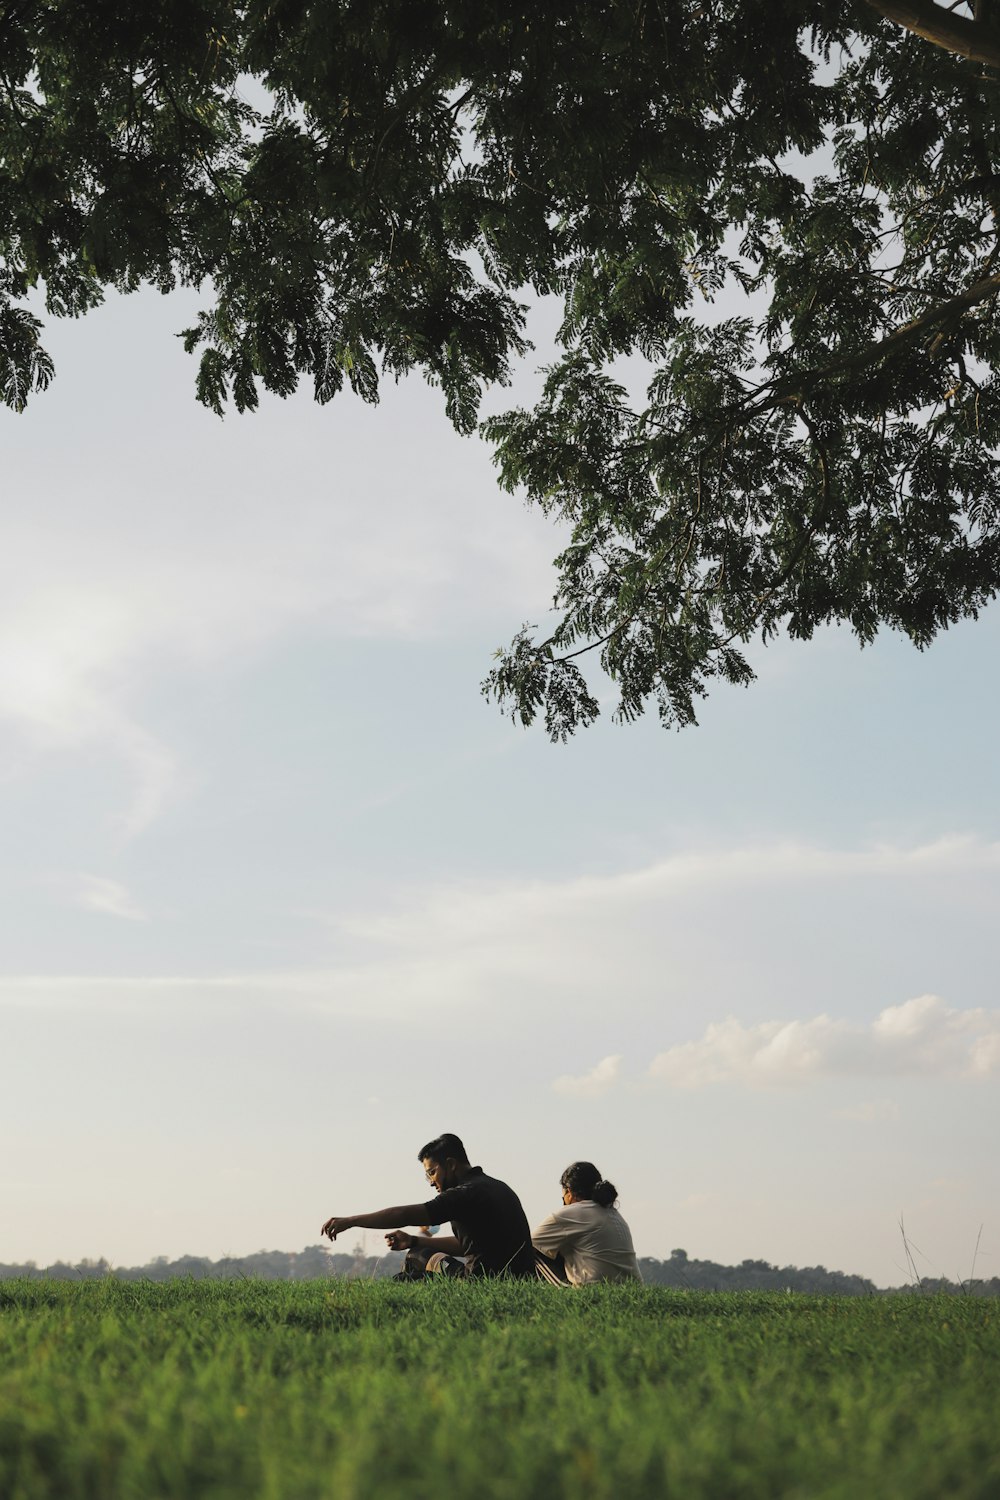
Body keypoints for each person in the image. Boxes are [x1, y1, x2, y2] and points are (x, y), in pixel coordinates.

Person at [320, 1132, 536, 1279]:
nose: (432, 1181)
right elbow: (469, 1245)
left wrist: (351, 1221)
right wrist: (414, 1239)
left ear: (451, 1165)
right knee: (420, 1249)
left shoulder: (463, 1194)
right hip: (523, 1279)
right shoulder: (497, 1186)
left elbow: (404, 1214)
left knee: (416, 1257)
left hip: (482, 1281)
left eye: (432, 1172)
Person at [531, 1161, 642, 1285]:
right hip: (633, 1287)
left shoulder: (569, 1214)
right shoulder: (615, 1214)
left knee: (533, 1251)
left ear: (569, 1192)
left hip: (594, 1288)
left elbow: (527, 1244)